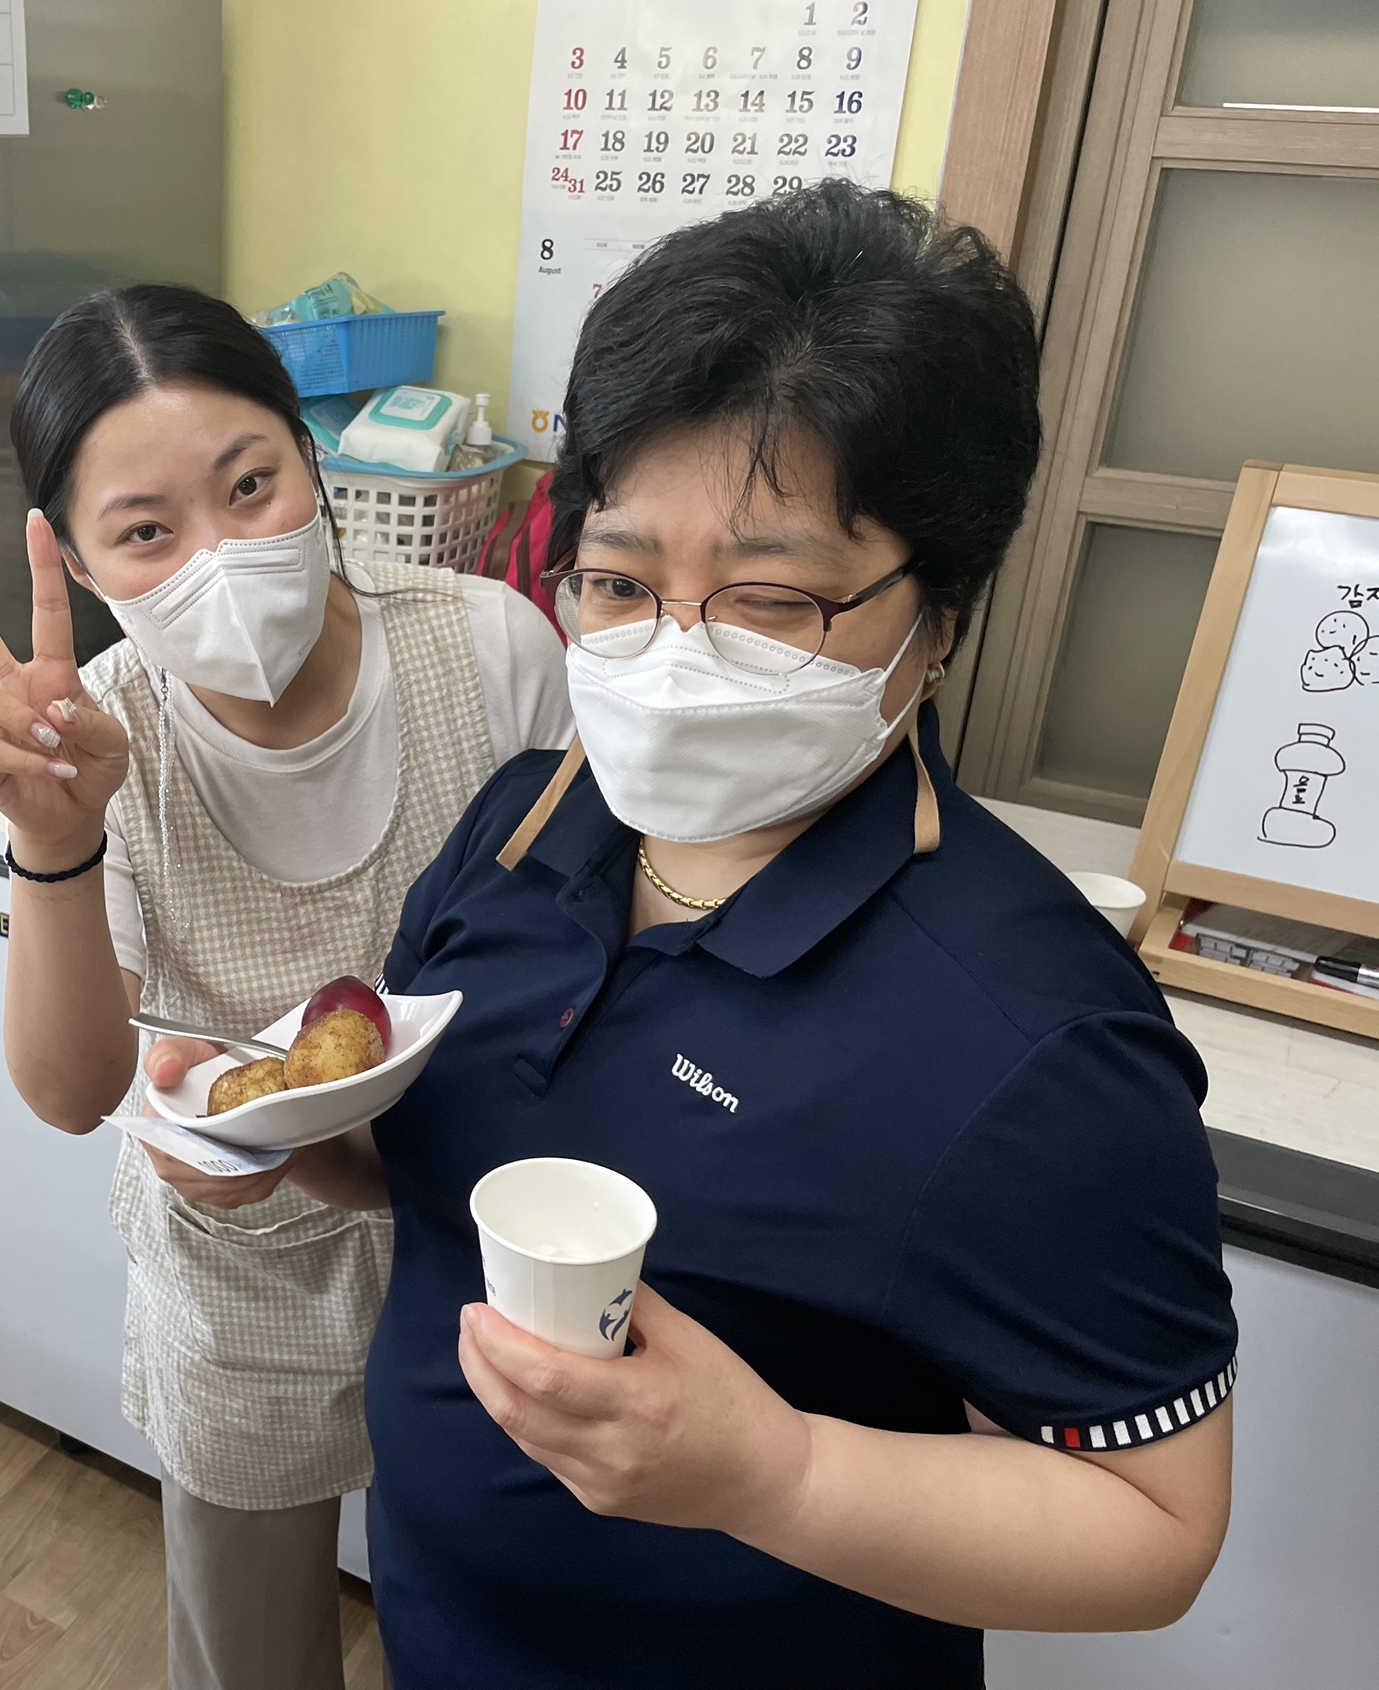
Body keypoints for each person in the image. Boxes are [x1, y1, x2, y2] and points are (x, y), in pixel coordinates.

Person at [282, 183, 1238, 1687]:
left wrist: (774, 1473)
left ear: (940, 616)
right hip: (438, 1629)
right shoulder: (526, 823)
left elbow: (1159, 1530)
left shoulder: (1036, 1040)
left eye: (771, 599)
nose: (674, 652)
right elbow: (431, 1165)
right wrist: (292, 1141)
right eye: (619, 581)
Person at [0, 282, 571, 1690]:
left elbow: (579, 953)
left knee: (500, 1631)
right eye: (146, 530)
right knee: (250, 1657)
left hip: (477, 1246)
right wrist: (56, 844)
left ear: (313, 461)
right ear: (84, 566)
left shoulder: (491, 646)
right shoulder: (96, 736)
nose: (220, 555)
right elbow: (72, 1088)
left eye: (250, 485)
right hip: (240, 1288)